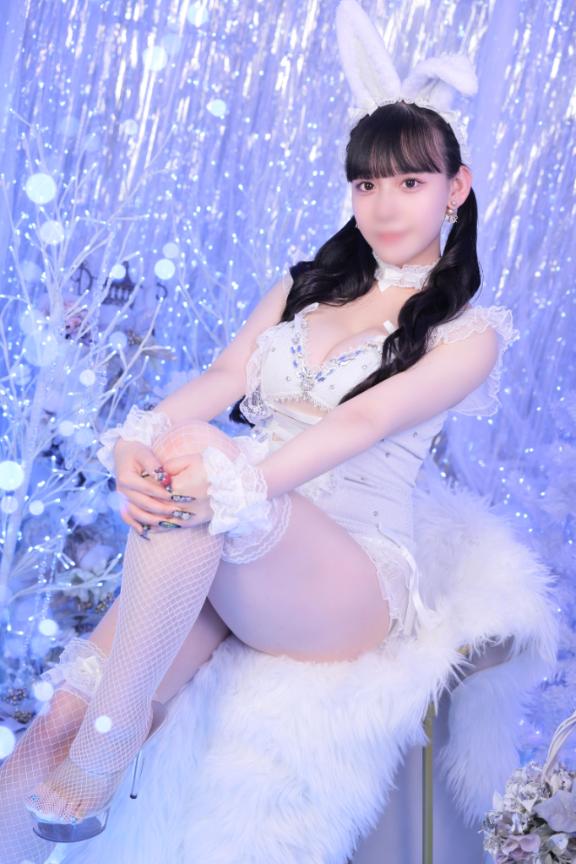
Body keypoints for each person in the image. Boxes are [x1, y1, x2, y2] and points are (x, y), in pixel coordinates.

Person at [0, 5, 520, 861]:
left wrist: (235, 479)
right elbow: (221, 378)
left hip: (343, 579)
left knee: (203, 471)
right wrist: (136, 437)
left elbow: (365, 417)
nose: (383, 205)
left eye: (409, 183)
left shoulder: (469, 333)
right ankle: (76, 758)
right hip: (223, 537)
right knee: (55, 718)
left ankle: (112, 741)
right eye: (366, 185)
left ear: (455, 188)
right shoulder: (304, 287)